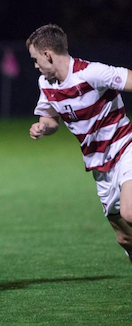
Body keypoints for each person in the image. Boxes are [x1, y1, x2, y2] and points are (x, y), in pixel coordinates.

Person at [27, 24, 132, 263]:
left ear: (47, 55)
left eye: (35, 59)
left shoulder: (91, 73)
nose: (35, 65)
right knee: (125, 239)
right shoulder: (46, 84)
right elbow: (50, 118)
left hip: (124, 148)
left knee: (129, 211)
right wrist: (43, 127)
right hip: (98, 165)